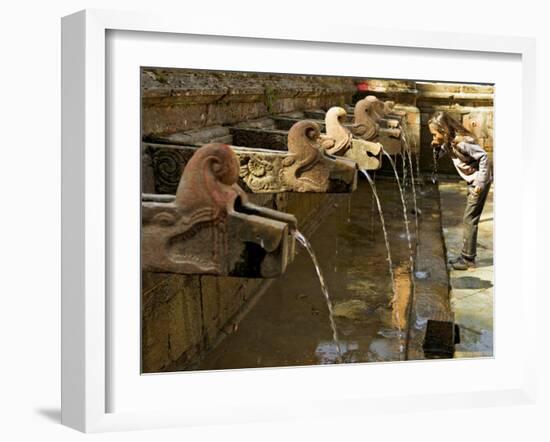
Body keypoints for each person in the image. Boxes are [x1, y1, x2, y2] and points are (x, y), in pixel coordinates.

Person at [428, 111, 492, 270]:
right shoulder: (449, 142)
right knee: (470, 217)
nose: (433, 137)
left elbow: (484, 157)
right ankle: (466, 255)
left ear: (443, 130)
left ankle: (468, 259)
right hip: (472, 181)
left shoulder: (461, 142)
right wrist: (436, 148)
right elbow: (446, 153)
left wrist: (480, 182)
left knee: (469, 219)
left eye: (435, 134)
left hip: (478, 183)